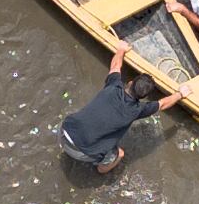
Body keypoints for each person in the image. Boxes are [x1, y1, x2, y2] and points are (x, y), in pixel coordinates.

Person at [56, 43, 184, 174]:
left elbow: (115, 66)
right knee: (120, 153)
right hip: (82, 153)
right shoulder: (137, 110)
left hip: (64, 131)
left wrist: (121, 49)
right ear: (144, 97)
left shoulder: (113, 86)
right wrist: (180, 94)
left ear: (130, 82)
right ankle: (102, 169)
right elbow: (162, 104)